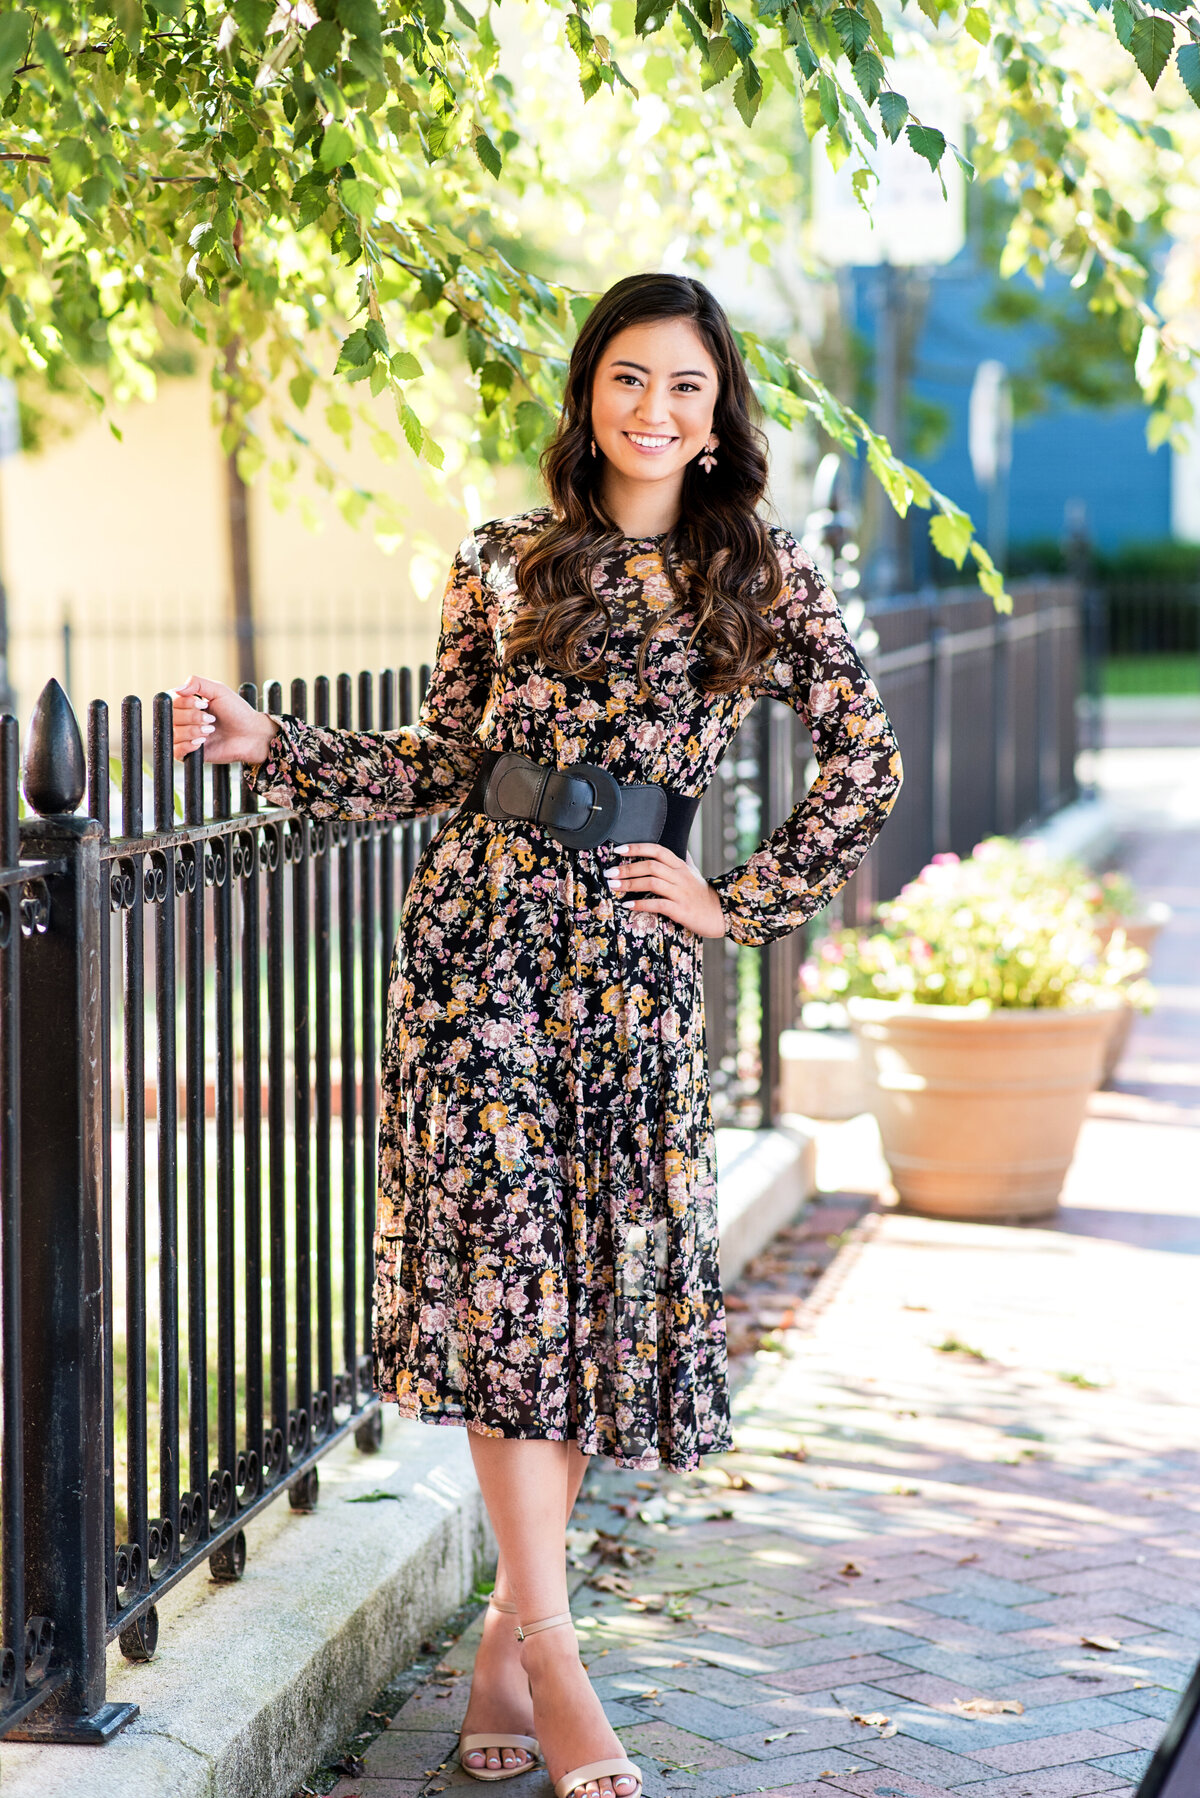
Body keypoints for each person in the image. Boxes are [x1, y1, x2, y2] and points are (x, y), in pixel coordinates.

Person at [172, 272, 902, 1798]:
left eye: (685, 387)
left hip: (627, 973)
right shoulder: (503, 557)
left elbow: (867, 757)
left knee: (578, 1300)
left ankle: (508, 1633)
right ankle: (561, 1660)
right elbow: (442, 760)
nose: (653, 408)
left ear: (718, 418)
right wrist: (272, 743)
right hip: (475, 951)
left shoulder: (748, 573)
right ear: (587, 394)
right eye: (627, 378)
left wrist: (738, 900)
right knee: (509, 1283)